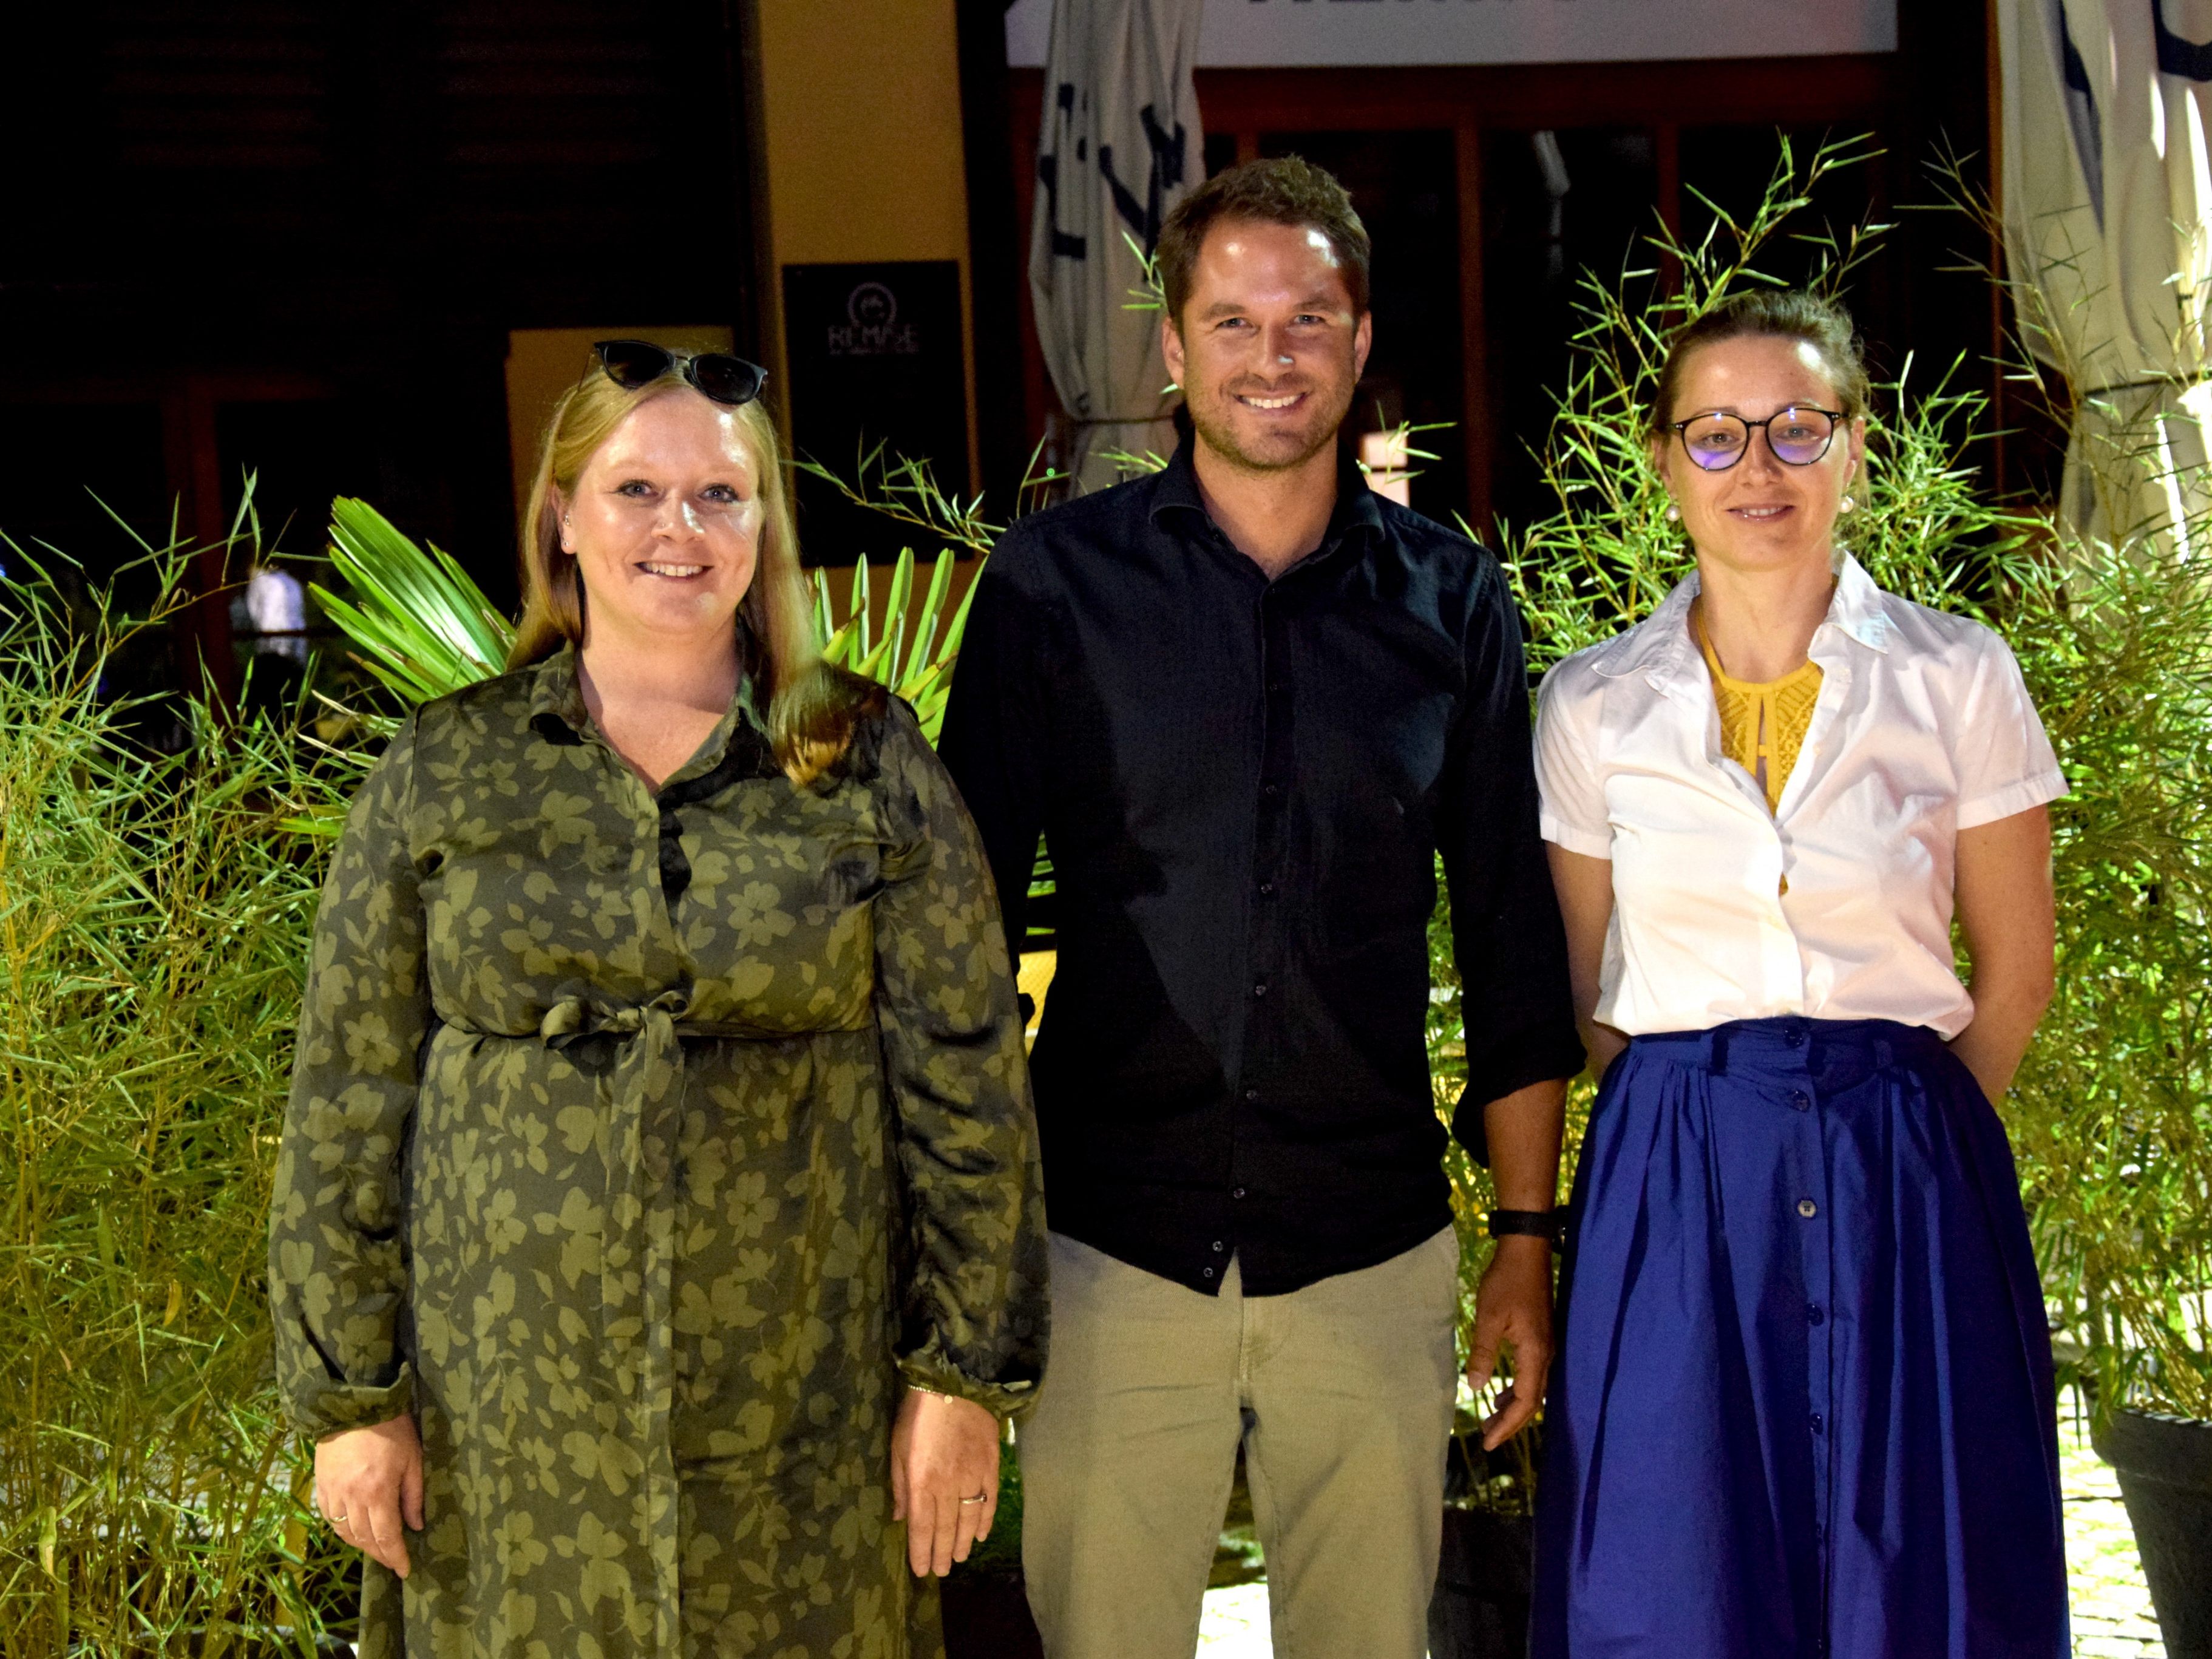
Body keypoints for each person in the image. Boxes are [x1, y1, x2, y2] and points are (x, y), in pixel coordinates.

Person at [268, 339, 1048, 1659]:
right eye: (635, 490)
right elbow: (347, 1095)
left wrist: (961, 1378)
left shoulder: (866, 763)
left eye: (719, 495)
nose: (677, 528)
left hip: (807, 1419)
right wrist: (353, 1402)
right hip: (509, 1433)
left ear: (762, 527)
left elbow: (969, 1081)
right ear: (562, 516)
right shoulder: (444, 768)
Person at [938, 157, 1584, 1659]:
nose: (1272, 356)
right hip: (1107, 1248)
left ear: (1361, 341)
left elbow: (1506, 941)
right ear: (1172, 348)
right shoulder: (1051, 587)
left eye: (1308, 318)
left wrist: (1524, 1238)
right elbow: (950, 932)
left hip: (1370, 1247)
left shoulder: (1453, 604)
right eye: (1233, 321)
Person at [1529, 290, 2070, 1657]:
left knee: (1924, 1549)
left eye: (1793, 428)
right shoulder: (1589, 702)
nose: (1755, 466)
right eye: (1714, 432)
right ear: (1661, 461)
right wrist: (1710, 1120)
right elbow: (1593, 990)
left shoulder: (1958, 672)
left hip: (1907, 1155)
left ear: (1855, 449)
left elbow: (2014, 971)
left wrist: (1896, 1124)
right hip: (1675, 1160)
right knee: (1673, 1552)